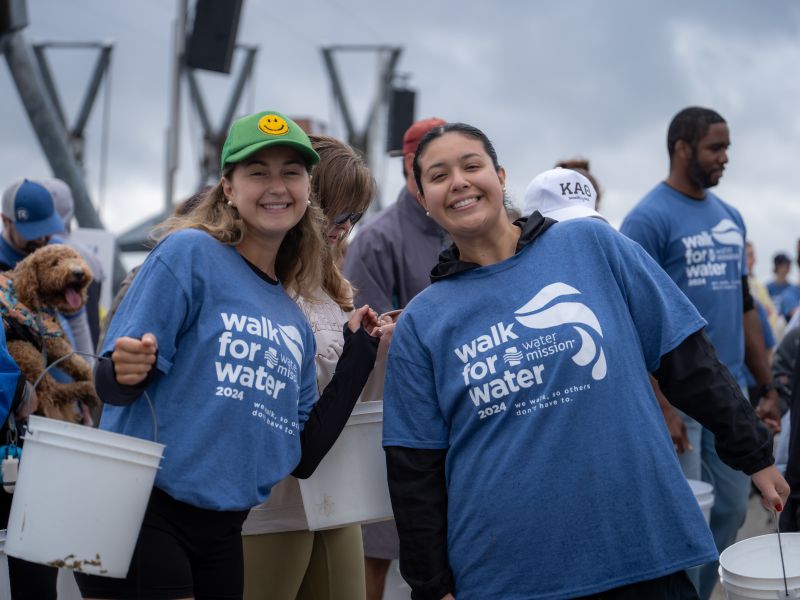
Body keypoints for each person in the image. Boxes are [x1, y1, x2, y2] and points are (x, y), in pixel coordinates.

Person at [381, 121, 788, 600]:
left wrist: (755, 454)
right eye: (438, 175)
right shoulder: (422, 321)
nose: (459, 182)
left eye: (472, 165)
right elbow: (414, 468)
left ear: (501, 175)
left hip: (640, 549)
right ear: (423, 199)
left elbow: (686, 359)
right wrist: (431, 586)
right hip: (507, 575)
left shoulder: (592, 247)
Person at [74, 110, 387, 600]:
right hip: (145, 510)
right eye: (257, 171)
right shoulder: (188, 255)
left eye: (291, 172)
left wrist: (359, 354)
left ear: (308, 191)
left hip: (224, 532)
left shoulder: (290, 318)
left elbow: (303, 455)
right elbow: (110, 385)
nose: (276, 186)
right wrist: (124, 370)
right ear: (228, 187)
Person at [620, 106, 781, 599]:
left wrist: (768, 385)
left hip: (726, 394)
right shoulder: (646, 220)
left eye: (727, 147)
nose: (725, 157)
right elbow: (632, 319)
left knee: (733, 510)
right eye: (716, 147)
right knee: (687, 518)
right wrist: (662, 407)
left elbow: (745, 307)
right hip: (675, 402)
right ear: (682, 149)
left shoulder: (730, 218)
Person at [242, 134, 390, 600]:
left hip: (334, 498)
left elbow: (350, 404)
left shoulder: (330, 289)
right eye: (337, 212)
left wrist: (377, 348)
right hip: (266, 507)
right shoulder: (255, 279)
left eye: (354, 217)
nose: (343, 228)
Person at [343, 116, 448, 600]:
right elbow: (371, 334)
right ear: (411, 164)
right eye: (434, 163)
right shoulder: (377, 238)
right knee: (375, 554)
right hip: (391, 416)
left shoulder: (463, 222)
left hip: (459, 415)